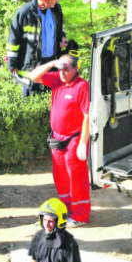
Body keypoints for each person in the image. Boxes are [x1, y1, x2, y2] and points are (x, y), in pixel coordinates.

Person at [28, 44, 91, 226]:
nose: (62, 72)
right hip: (57, 138)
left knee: (76, 177)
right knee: (61, 177)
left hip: (74, 138)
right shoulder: (57, 80)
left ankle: (81, 215)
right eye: (60, 69)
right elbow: (33, 76)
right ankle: (66, 209)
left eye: (66, 69)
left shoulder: (82, 86)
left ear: (76, 69)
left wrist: (82, 143)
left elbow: (87, 115)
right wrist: (51, 64)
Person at [7, 0, 67, 97]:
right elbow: (13, 40)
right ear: (45, 0)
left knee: (50, 96)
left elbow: (59, 29)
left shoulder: (55, 10)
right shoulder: (24, 13)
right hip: (33, 63)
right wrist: (12, 62)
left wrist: (62, 38)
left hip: (51, 61)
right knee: (31, 95)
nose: (57, 0)